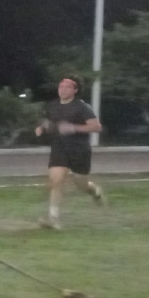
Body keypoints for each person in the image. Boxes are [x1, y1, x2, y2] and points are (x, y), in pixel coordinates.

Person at [34, 77, 106, 230]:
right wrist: (41, 128)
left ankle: (94, 190)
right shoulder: (52, 105)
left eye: (67, 87)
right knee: (56, 181)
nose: (63, 89)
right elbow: (48, 122)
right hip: (59, 149)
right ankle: (53, 219)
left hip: (79, 150)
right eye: (61, 86)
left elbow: (96, 127)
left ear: (75, 90)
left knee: (81, 185)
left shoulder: (82, 107)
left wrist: (73, 128)